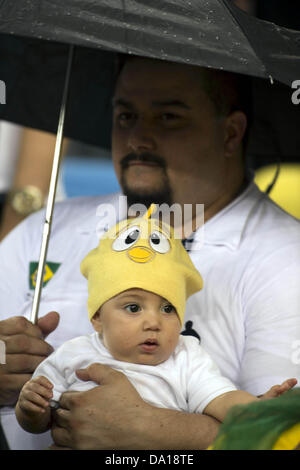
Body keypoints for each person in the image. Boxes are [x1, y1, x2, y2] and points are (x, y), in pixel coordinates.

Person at [1, 56, 300, 450]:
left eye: (168, 117)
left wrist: (160, 432)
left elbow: (285, 435)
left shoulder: (286, 258)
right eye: (125, 115)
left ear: (231, 133)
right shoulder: (47, 227)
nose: (138, 138)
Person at [15, 207, 297, 435]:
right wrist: (31, 409)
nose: (154, 322)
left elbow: (221, 399)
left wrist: (259, 411)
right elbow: (40, 422)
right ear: (98, 318)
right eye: (134, 307)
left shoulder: (186, 359)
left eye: (167, 308)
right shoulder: (74, 355)